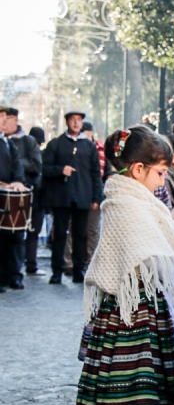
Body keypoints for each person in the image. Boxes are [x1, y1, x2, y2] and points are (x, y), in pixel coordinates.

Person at [71, 126, 174, 405]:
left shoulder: (146, 202)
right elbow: (141, 254)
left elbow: (164, 247)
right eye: (159, 173)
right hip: (127, 312)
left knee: (167, 381)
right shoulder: (122, 203)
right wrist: (172, 271)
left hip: (155, 309)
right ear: (138, 169)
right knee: (124, 385)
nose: (162, 180)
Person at [42, 110, 103, 284]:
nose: (76, 123)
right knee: (60, 234)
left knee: (81, 235)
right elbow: (45, 168)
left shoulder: (89, 146)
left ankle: (78, 270)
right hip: (61, 197)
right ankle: (57, 271)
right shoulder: (56, 144)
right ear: (67, 122)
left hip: (83, 196)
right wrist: (60, 170)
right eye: (72, 120)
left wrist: (96, 198)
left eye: (79, 120)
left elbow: (95, 174)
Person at [0, 108, 28, 290]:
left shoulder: (8, 143)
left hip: (9, 196)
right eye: (1, 117)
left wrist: (18, 181)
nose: (4, 120)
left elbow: (17, 165)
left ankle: (13, 275)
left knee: (15, 238)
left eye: (5, 117)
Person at [24, 126, 47, 276]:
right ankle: (30, 264)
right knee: (33, 232)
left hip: (27, 198)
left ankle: (25, 263)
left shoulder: (23, 154)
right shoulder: (41, 156)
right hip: (37, 199)